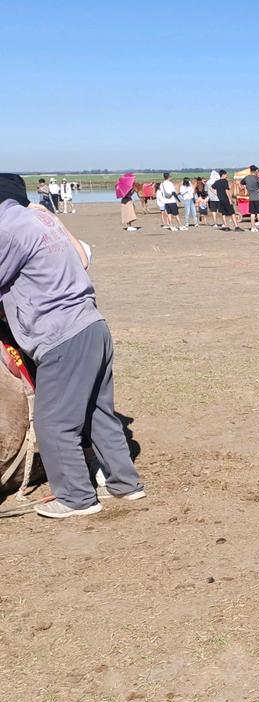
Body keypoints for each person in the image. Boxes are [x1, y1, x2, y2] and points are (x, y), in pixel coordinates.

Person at [0, 174, 144, 518]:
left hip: (59, 335)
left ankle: (76, 498)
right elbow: (82, 258)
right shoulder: (41, 219)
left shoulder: (7, 228)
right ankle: (124, 483)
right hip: (92, 325)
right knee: (98, 412)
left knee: (53, 421)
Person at [243, 166, 259, 232]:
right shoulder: (256, 178)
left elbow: (241, 183)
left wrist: (247, 188)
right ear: (255, 171)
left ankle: (253, 227)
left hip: (251, 197)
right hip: (258, 197)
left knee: (252, 213)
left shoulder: (246, 178)